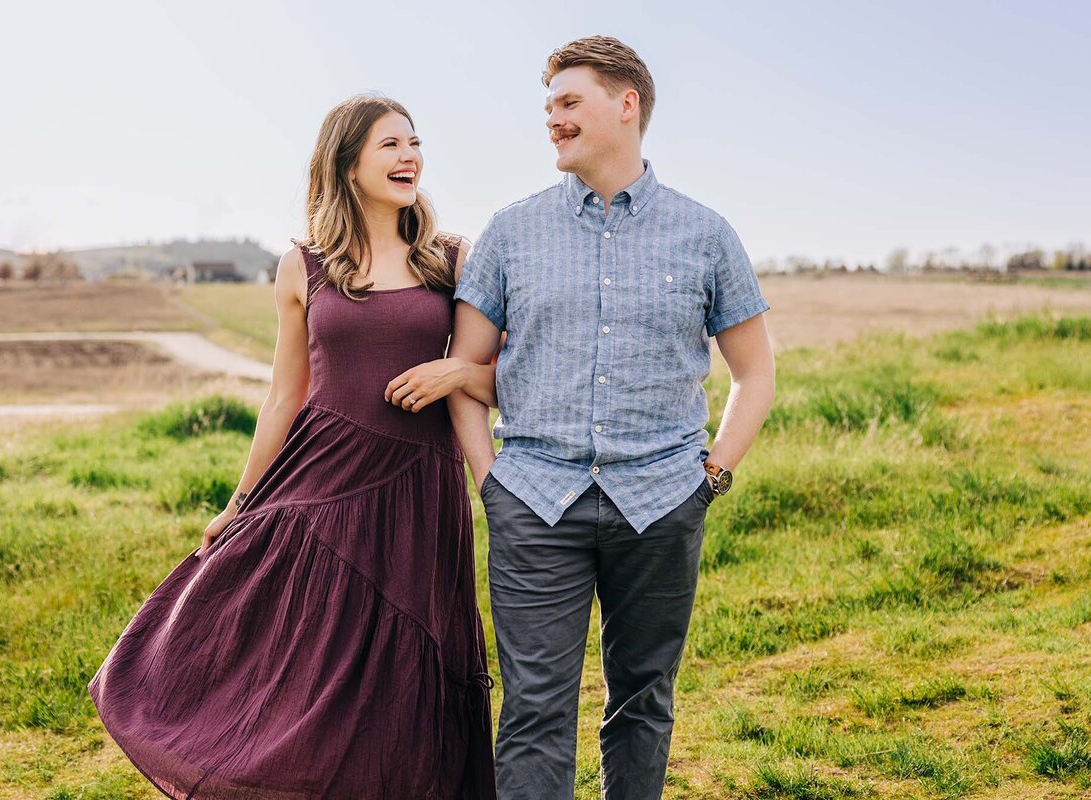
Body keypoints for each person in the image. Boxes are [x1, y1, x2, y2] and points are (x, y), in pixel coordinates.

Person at [89, 95, 497, 800]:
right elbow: (286, 395)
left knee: (407, 669)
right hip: (319, 480)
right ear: (346, 164)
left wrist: (464, 371)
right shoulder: (303, 265)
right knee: (308, 663)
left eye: (413, 142)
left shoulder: (451, 258)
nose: (409, 157)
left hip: (418, 487)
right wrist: (238, 502)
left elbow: (502, 375)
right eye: (388, 146)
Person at [444, 36, 776, 800]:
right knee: (532, 709)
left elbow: (754, 370)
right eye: (548, 108)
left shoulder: (706, 234)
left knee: (642, 703)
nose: (553, 121)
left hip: (663, 503)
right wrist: (491, 482)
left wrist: (714, 471)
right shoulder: (510, 233)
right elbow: (466, 373)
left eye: (569, 103)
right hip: (533, 502)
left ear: (627, 105)